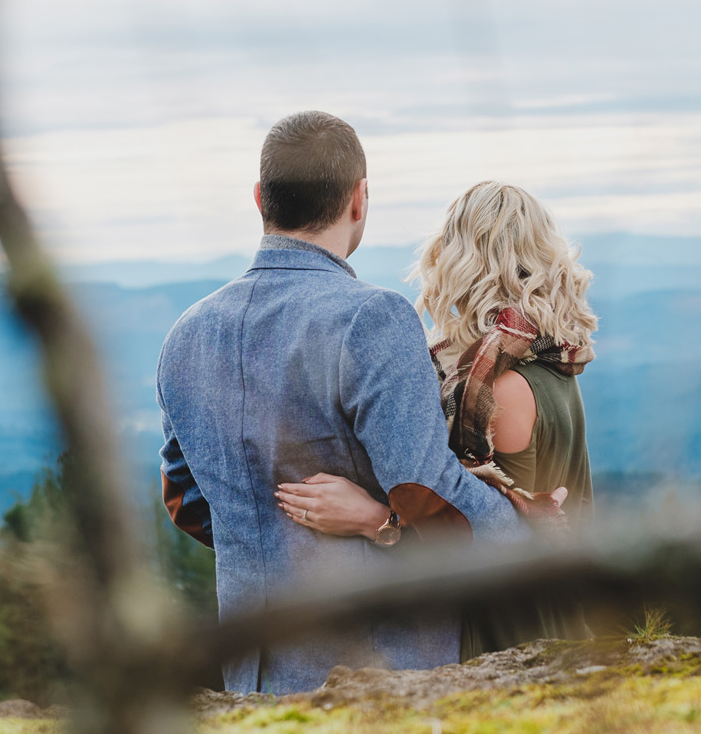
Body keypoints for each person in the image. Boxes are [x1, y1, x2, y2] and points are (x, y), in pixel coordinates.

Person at [156, 111, 526, 696]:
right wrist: (529, 532)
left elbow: (186, 500)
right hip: (374, 668)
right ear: (359, 200)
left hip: (250, 675)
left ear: (260, 199)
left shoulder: (186, 336)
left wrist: (272, 536)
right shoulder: (371, 320)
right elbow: (430, 498)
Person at [286, 180, 598, 660]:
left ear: (456, 265)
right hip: (554, 613)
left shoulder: (499, 390)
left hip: (510, 630)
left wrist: (377, 521)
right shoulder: (550, 365)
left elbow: (493, 536)